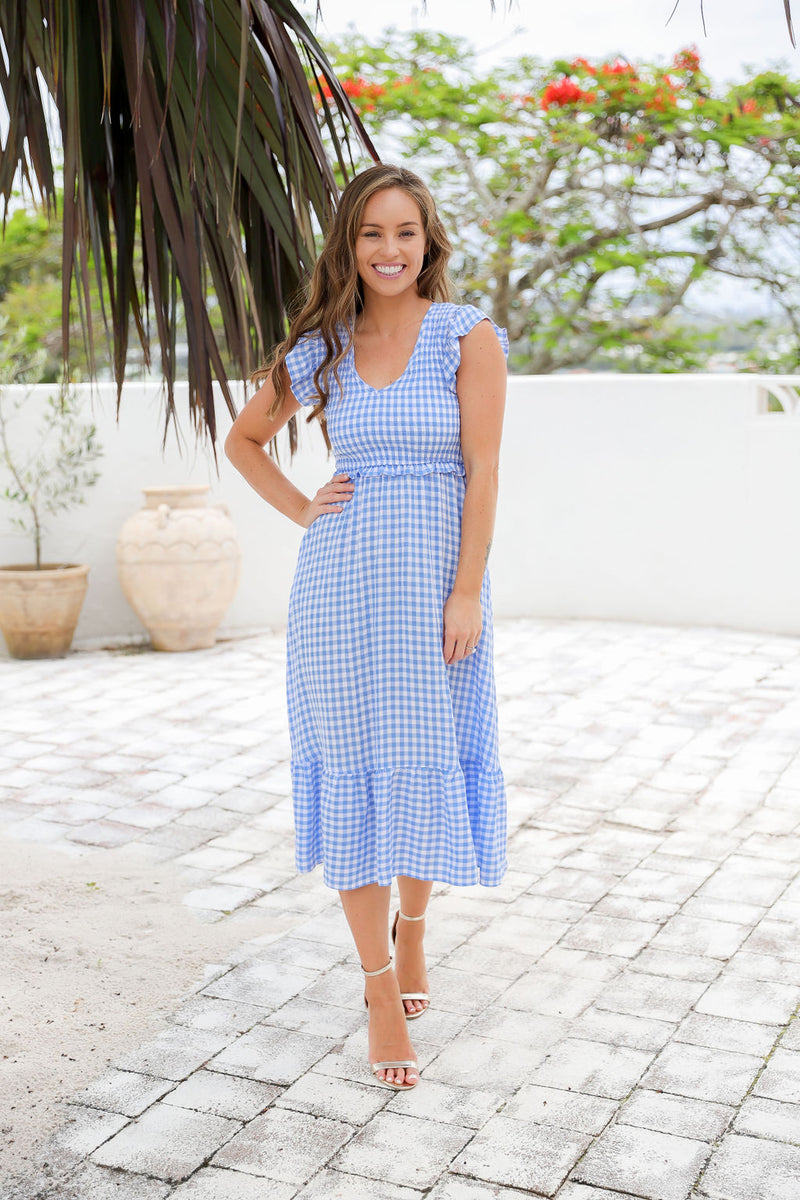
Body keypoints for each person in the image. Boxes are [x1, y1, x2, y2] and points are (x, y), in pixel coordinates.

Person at [225, 164, 508, 1092]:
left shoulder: (467, 337)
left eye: (405, 233)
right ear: (348, 245)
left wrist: (465, 593)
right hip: (340, 595)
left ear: (429, 243)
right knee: (354, 768)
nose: (390, 250)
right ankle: (380, 988)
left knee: (423, 759)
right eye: (371, 233)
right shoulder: (323, 346)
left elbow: (483, 469)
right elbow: (243, 440)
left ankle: (413, 930)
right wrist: (305, 507)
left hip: (434, 591)